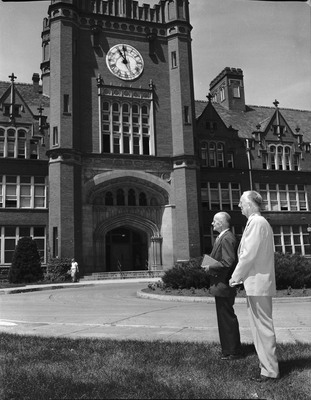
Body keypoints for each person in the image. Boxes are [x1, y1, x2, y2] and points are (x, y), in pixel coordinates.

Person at [229, 190, 280, 382]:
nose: (239, 206)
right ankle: (266, 367)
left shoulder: (257, 223)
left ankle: (270, 371)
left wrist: (235, 277)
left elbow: (248, 254)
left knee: (263, 328)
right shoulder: (257, 223)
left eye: (241, 203)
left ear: (250, 204)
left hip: (259, 284)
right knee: (259, 328)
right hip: (256, 284)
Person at [202, 212, 242, 360]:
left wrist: (209, 267)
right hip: (221, 285)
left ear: (221, 223)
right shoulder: (222, 237)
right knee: (225, 318)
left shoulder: (227, 238)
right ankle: (229, 349)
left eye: (214, 221)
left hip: (224, 285)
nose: (212, 224)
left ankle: (232, 351)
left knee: (227, 319)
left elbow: (228, 262)